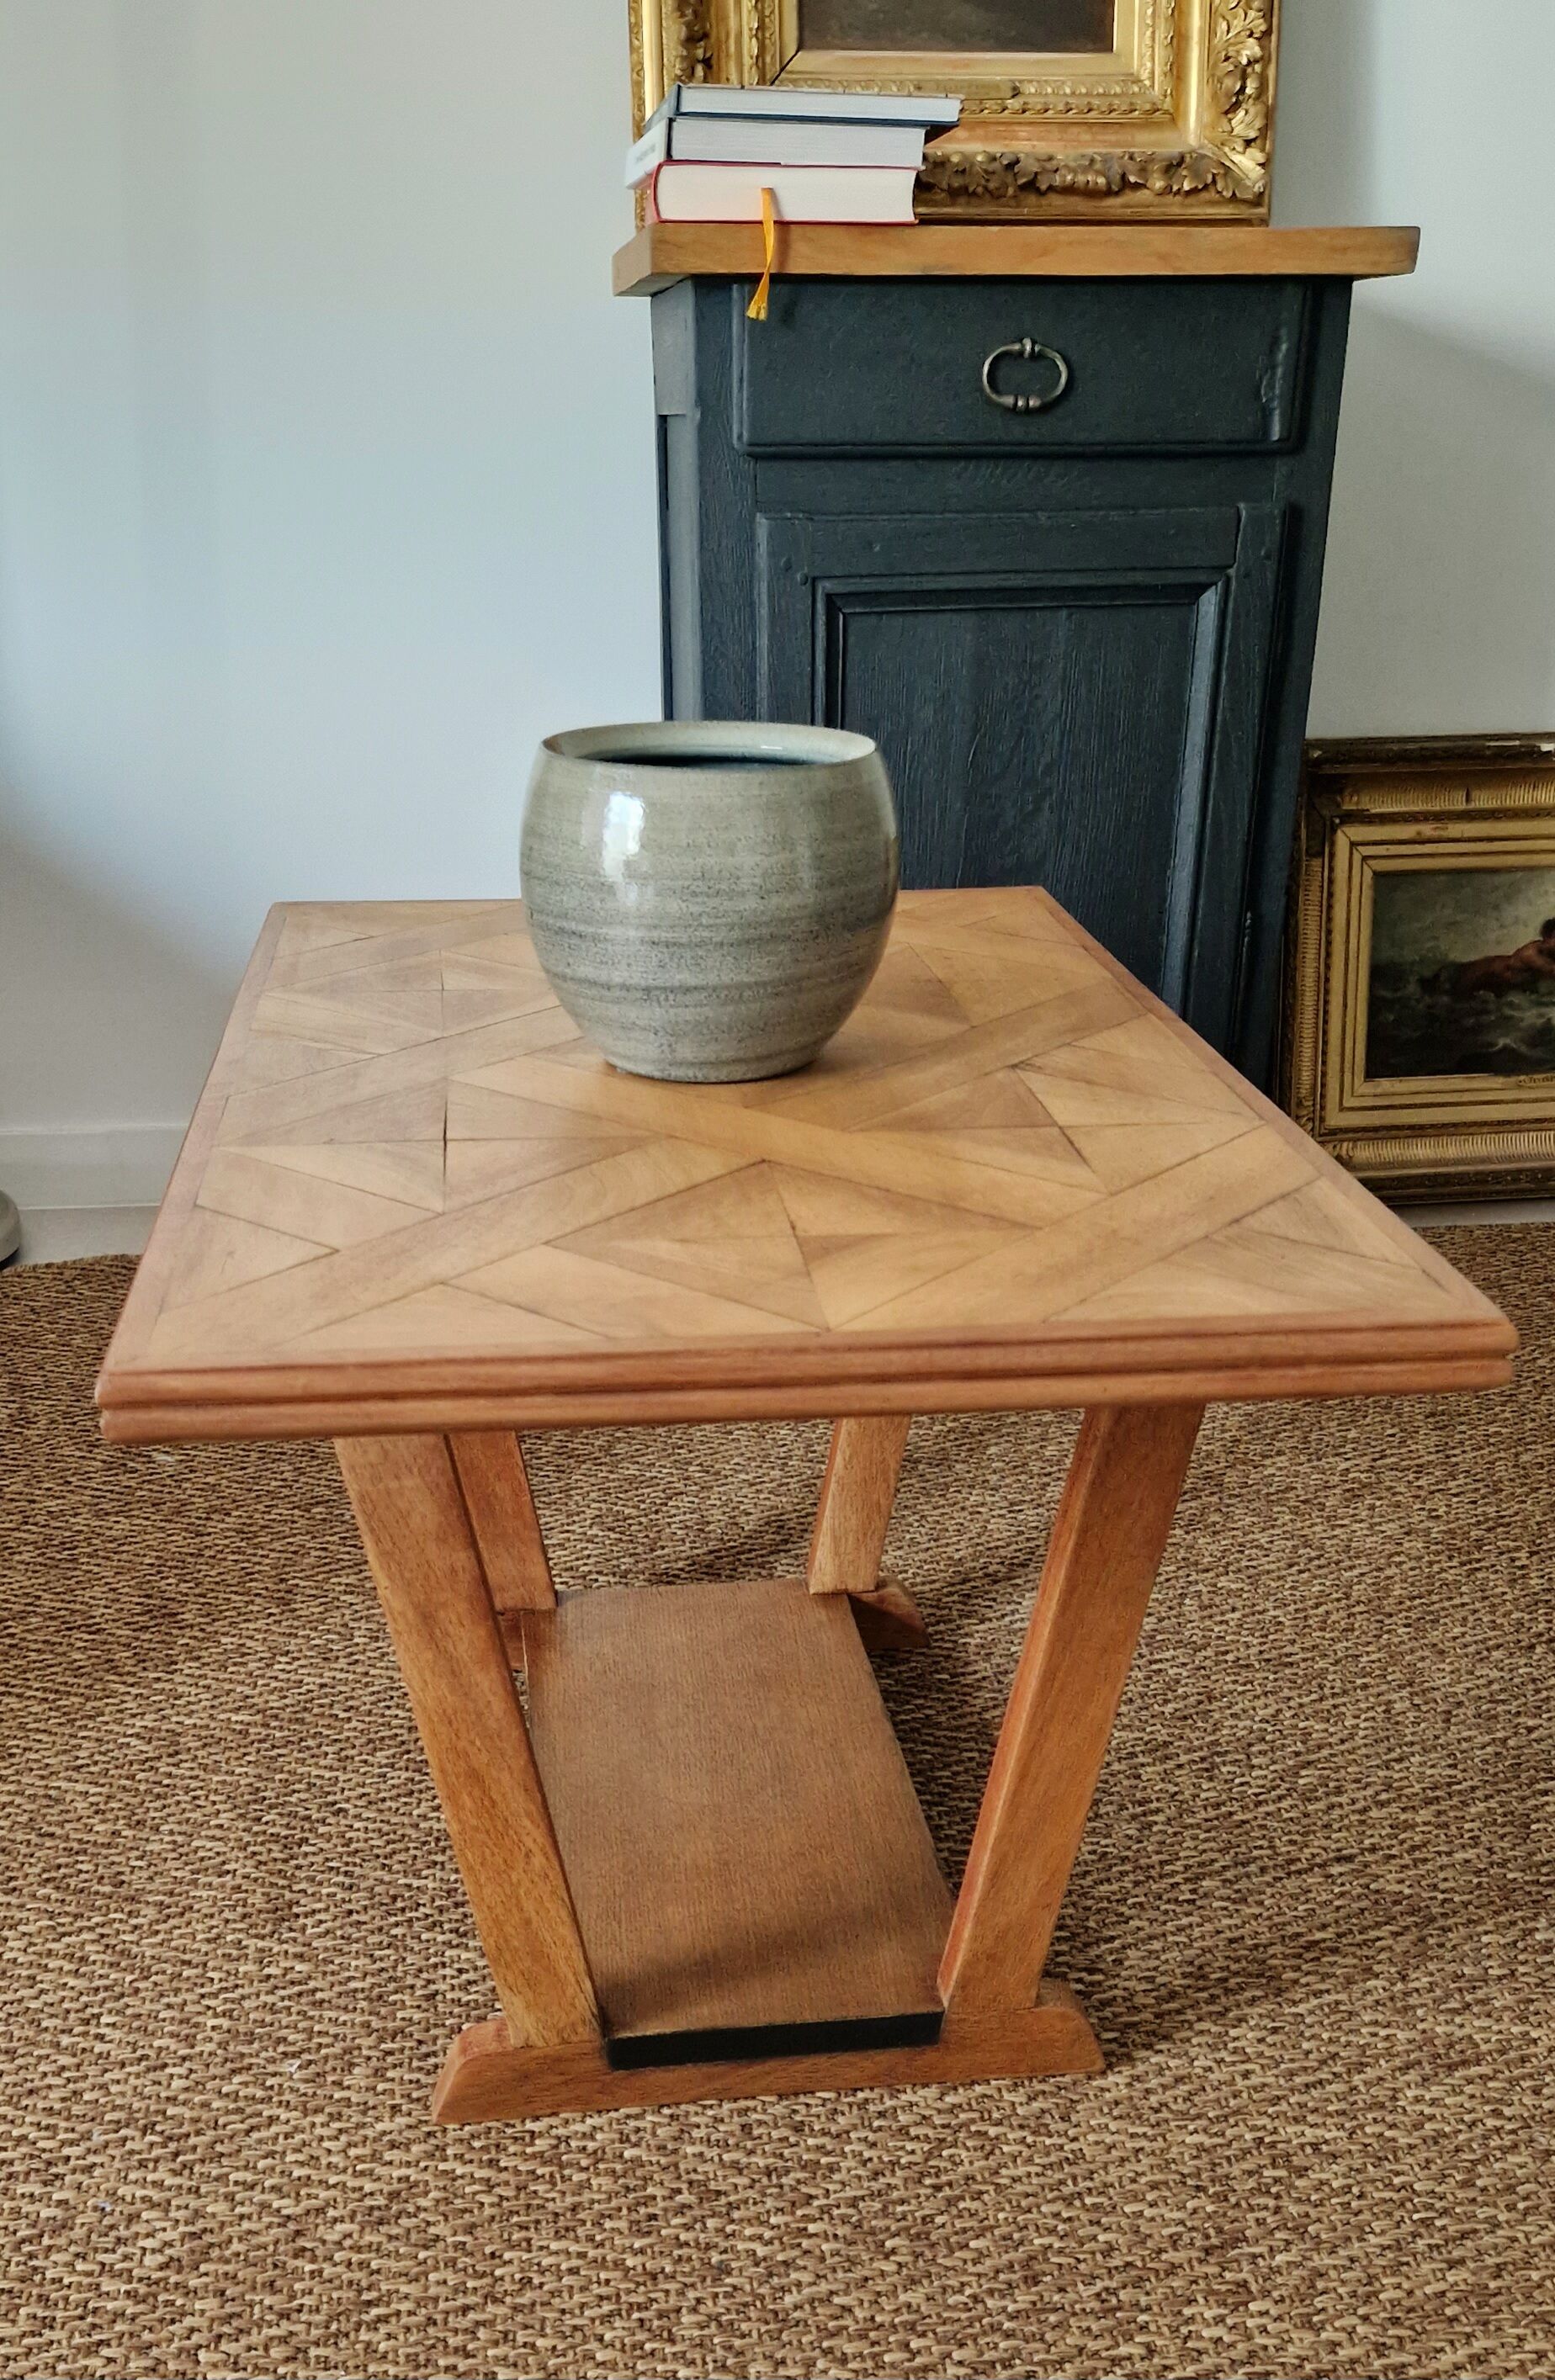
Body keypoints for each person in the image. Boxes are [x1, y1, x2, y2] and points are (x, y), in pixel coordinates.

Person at [1430, 914, 1555, 997]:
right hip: (1475, 976)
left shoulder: (1549, 955)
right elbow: (1550, 971)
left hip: (1490, 988)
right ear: (1549, 937)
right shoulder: (1531, 954)